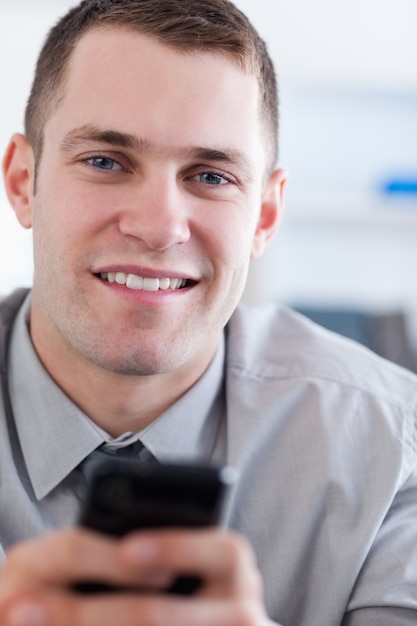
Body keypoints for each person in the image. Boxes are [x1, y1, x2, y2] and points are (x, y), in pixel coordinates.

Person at [0, 0, 416, 624]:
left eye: (211, 176)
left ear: (265, 216)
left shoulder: (394, 449)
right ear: (23, 181)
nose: (158, 227)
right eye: (106, 161)